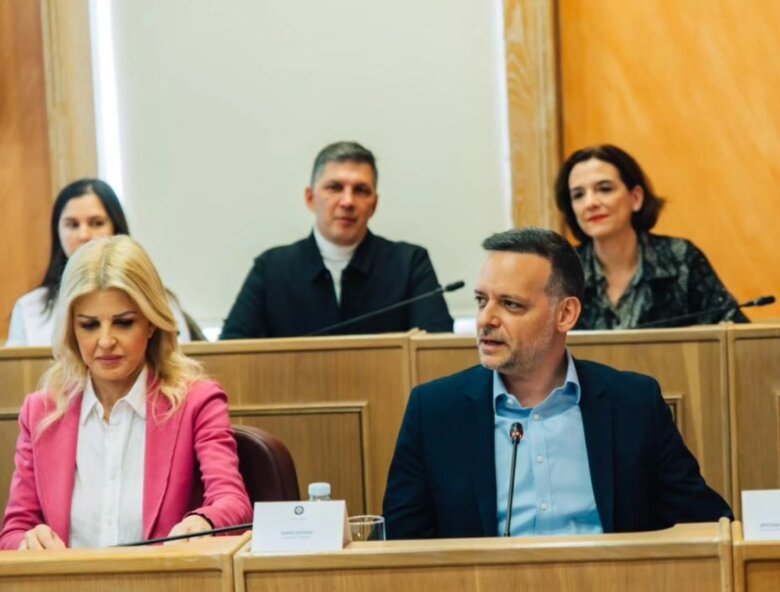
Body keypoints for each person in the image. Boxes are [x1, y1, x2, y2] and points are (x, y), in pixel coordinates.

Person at [382, 227, 732, 539]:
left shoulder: (634, 403)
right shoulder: (434, 411)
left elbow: (705, 523)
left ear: (565, 314)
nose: (486, 319)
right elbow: (401, 547)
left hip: (609, 588)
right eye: (481, 300)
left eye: (510, 304)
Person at [0, 236, 252, 550]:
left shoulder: (196, 402)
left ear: (151, 323)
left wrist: (205, 521)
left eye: (123, 323)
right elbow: (13, 531)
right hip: (70, 581)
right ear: (71, 328)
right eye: (89, 325)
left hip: (167, 578)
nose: (106, 341)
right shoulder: (41, 411)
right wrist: (27, 542)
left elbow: (233, 502)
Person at [220, 141, 453, 338]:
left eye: (361, 190)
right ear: (310, 198)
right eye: (335, 187)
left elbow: (436, 350)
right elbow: (232, 350)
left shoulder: (410, 263)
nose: (348, 202)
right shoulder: (271, 268)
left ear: (374, 204)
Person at [554, 144, 747, 329]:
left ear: (636, 198)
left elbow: (734, 329)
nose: (590, 203)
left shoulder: (680, 258)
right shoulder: (563, 272)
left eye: (604, 189)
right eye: (578, 195)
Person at [6, 178, 196, 346]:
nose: (84, 235)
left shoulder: (158, 299)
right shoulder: (29, 308)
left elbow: (178, 364)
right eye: (72, 224)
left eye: (96, 223)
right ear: (58, 232)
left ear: (116, 229)